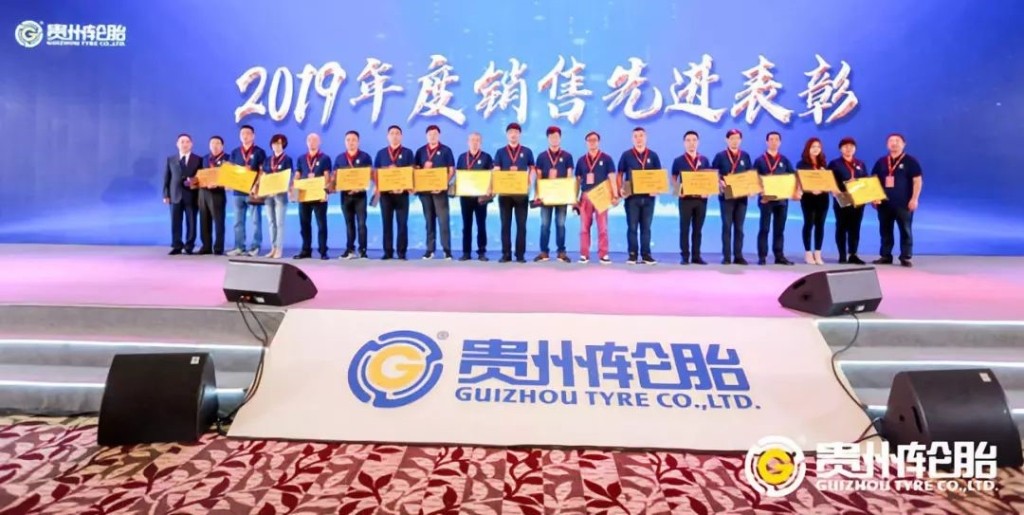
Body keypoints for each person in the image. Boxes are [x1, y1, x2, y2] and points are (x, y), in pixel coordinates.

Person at [872, 133, 923, 267]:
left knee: (905, 230)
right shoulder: (881, 162)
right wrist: (874, 197)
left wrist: (914, 199)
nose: (894, 143)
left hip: (904, 203)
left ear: (904, 144)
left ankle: (905, 256)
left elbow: (917, 181)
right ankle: (885, 255)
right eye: (891, 141)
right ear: (887, 144)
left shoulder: (911, 161)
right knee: (885, 230)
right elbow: (874, 181)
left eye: (897, 141)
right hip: (884, 204)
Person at [618, 127, 661, 265]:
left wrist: (657, 189)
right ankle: (632, 255)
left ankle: (646, 255)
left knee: (646, 227)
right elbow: (620, 173)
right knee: (632, 227)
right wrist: (620, 189)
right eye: (635, 136)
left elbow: (658, 176)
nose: (638, 139)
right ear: (632, 139)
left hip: (649, 197)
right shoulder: (626, 155)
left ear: (646, 137)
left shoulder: (653, 155)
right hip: (632, 198)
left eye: (641, 135)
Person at [492, 122, 534, 263]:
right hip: (505, 194)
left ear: (519, 134)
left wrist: (529, 182)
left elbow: (532, 169)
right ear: (507, 135)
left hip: (521, 194)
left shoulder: (527, 151)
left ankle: (520, 255)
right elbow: (496, 170)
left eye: (516, 132)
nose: (513, 134)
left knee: (521, 225)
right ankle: (506, 254)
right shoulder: (500, 152)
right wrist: (496, 185)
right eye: (511, 132)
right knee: (505, 225)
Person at [753, 131, 796, 265]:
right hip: (766, 199)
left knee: (779, 229)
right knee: (764, 228)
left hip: (781, 200)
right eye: (771, 139)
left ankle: (779, 256)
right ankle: (762, 256)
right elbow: (754, 179)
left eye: (776, 139)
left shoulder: (784, 160)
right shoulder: (759, 160)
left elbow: (793, 177)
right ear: (767, 142)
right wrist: (761, 192)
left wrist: (794, 191)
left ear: (780, 142)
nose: (774, 142)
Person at [711, 129, 753, 265]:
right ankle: (727, 256)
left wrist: (752, 188)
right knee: (727, 226)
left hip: (742, 196)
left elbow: (750, 174)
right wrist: (719, 182)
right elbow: (713, 173)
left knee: (739, 227)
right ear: (727, 140)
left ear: (740, 140)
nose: (735, 141)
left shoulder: (745, 156)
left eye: (737, 138)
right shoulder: (720, 156)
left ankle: (738, 255)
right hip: (726, 195)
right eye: (732, 138)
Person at [414, 124, 456, 260]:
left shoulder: (446, 150)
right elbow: (415, 171)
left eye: (435, 134)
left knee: (444, 221)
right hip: (425, 192)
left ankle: (447, 250)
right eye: (430, 134)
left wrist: (443, 183)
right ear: (426, 136)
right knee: (429, 221)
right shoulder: (420, 151)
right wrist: (424, 170)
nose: (432, 136)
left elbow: (451, 170)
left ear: (439, 135)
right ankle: (430, 250)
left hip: (440, 192)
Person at [575, 131, 617, 264]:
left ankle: (603, 254)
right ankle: (584, 254)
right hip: (586, 196)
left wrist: (615, 195)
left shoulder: (607, 159)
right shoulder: (581, 160)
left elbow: (612, 177)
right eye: (589, 140)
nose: (592, 142)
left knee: (603, 227)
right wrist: (574, 198)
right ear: (586, 143)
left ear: (598, 142)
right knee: (584, 227)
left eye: (594, 140)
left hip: (601, 196)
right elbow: (577, 181)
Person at [374, 125, 415, 260]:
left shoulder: (408, 153)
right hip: (386, 195)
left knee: (402, 224)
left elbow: (411, 172)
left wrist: (406, 187)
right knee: (387, 223)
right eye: (392, 133)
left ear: (401, 136)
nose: (395, 135)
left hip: (402, 194)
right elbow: (376, 173)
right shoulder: (381, 153)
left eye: (397, 133)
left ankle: (401, 252)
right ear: (388, 136)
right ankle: (388, 252)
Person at [534, 126, 574, 263]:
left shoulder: (567, 156)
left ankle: (561, 252)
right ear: (548, 138)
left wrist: (570, 195)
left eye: (556, 136)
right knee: (545, 224)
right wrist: (537, 194)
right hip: (546, 196)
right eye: (551, 137)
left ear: (560, 138)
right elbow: (538, 177)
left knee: (561, 224)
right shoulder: (541, 156)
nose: (554, 139)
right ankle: (543, 252)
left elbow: (569, 176)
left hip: (561, 196)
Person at [670, 130, 711, 265]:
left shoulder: (704, 160)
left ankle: (696, 256)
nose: (691, 143)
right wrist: (678, 191)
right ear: (684, 143)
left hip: (701, 200)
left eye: (694, 140)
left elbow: (709, 178)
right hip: (685, 200)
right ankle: (685, 256)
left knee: (698, 229)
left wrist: (708, 192)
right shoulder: (678, 160)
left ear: (698, 142)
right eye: (688, 140)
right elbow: (674, 178)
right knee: (684, 228)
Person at [828, 137, 869, 265]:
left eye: (851, 146)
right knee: (841, 226)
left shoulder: (860, 164)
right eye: (845, 146)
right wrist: (836, 192)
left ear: (855, 149)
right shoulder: (834, 164)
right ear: (840, 149)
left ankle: (853, 254)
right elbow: (829, 181)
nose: (848, 149)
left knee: (855, 227)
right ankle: (842, 255)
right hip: (842, 197)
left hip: (858, 199)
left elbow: (866, 181)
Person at [228, 125, 266, 257]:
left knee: (255, 221)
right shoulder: (235, 152)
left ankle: (255, 247)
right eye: (242, 133)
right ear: (240, 136)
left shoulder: (259, 152)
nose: (245, 136)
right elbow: (231, 171)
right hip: (238, 191)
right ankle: (239, 247)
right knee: (238, 221)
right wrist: (229, 183)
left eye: (248, 133)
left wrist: (256, 185)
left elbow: (262, 171)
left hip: (253, 192)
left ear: (253, 136)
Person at [334, 130, 372, 259]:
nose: (351, 142)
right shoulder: (340, 158)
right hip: (345, 196)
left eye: (354, 140)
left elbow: (369, 175)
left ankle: (363, 250)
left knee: (361, 224)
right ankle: (350, 249)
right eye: (348, 140)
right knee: (349, 223)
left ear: (358, 142)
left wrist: (360, 187)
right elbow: (336, 177)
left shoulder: (365, 157)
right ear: (345, 142)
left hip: (360, 196)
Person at [293, 133, 332, 260]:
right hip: (304, 196)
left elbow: (327, 176)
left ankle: (323, 251)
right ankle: (306, 250)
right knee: (304, 224)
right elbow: (297, 176)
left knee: (321, 224)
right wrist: (294, 194)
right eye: (309, 140)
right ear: (306, 142)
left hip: (319, 196)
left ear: (319, 142)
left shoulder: (325, 158)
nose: (312, 142)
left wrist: (326, 192)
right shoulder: (301, 158)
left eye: (314, 140)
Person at [162, 133, 202, 255]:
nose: (184, 144)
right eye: (182, 142)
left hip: (192, 195)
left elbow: (201, 178)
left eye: (187, 142)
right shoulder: (171, 159)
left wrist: (193, 182)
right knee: (175, 222)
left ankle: (189, 246)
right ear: (177, 144)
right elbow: (167, 178)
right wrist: (166, 194)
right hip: (175, 195)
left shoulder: (198, 159)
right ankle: (177, 245)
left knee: (192, 222)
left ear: (191, 144)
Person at [456, 132, 493, 261]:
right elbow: (458, 175)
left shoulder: (487, 157)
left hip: (481, 197)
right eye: (472, 140)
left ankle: (482, 252)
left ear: (480, 142)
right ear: (468, 142)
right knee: (466, 225)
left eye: (477, 140)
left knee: (481, 225)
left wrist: (489, 189)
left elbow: (491, 175)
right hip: (465, 197)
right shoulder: (462, 157)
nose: (474, 142)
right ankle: (466, 252)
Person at [796, 137, 829, 265]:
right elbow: (800, 182)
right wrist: (810, 189)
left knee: (820, 225)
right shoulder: (802, 164)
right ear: (808, 148)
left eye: (818, 147)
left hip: (823, 197)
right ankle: (808, 253)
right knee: (809, 223)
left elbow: (828, 181)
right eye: (813, 147)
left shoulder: (823, 164)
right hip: (808, 197)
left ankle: (818, 253)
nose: (816, 149)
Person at [261, 134, 291, 259]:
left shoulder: (287, 159)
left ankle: (279, 249)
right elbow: (264, 175)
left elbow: (287, 176)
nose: (276, 146)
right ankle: (273, 248)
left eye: (279, 143)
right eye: (274, 143)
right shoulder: (268, 160)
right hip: (268, 194)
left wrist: (278, 189)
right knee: (271, 222)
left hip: (280, 195)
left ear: (283, 145)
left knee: (279, 223)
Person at [198, 136, 229, 255]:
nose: (214, 146)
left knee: (219, 221)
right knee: (204, 220)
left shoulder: (227, 159)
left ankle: (218, 247)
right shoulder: (205, 159)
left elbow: (229, 177)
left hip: (218, 193)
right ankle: (206, 246)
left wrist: (218, 183)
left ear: (222, 146)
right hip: (203, 192)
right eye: (212, 143)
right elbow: (200, 175)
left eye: (217, 143)